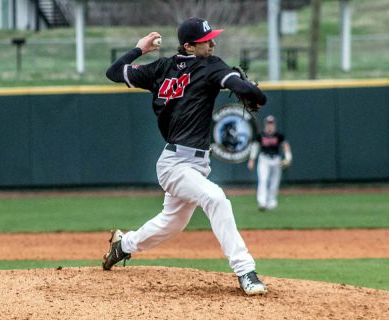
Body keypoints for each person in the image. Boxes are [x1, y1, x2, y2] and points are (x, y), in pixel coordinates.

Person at [102, 17, 268, 295]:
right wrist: (139, 49)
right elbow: (114, 72)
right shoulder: (164, 67)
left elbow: (235, 83)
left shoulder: (209, 65)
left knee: (171, 223)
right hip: (174, 163)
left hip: (197, 163)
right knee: (215, 198)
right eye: (206, 41)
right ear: (190, 46)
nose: (213, 43)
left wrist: (242, 86)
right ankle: (245, 271)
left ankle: (124, 245)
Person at [247, 115, 292, 211]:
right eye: (268, 123)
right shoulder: (261, 135)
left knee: (274, 182)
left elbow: (285, 146)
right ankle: (262, 202)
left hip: (276, 159)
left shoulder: (279, 135)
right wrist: (251, 160)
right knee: (263, 180)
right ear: (265, 124)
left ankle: (272, 202)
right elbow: (255, 147)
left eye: (271, 124)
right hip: (264, 159)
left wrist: (288, 158)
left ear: (274, 124)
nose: (270, 126)